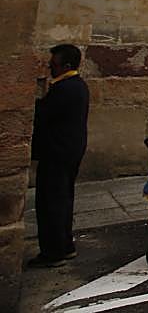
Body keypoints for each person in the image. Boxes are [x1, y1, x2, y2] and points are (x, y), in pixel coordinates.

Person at [28, 44, 89, 268]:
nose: (49, 68)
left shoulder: (66, 89)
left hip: (57, 153)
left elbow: (43, 115)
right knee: (62, 199)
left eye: (53, 64)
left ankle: (53, 252)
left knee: (50, 203)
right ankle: (64, 245)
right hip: (68, 151)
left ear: (66, 66)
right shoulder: (76, 86)